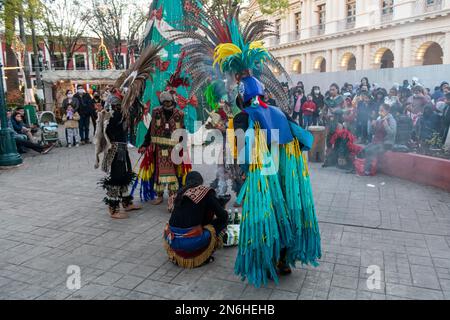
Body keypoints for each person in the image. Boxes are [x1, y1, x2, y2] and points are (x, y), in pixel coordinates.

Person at [163, 171, 228, 268]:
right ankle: (202, 256)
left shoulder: (180, 192)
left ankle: (178, 257)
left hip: (173, 242)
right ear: (200, 182)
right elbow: (222, 215)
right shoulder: (205, 191)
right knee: (222, 221)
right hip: (191, 243)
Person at [138, 90, 190, 206]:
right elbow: (150, 130)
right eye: (165, 102)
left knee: (175, 173)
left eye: (169, 102)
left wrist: (184, 147)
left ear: (172, 101)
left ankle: (173, 195)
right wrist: (144, 145)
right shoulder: (156, 112)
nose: (167, 104)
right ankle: (159, 195)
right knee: (158, 172)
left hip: (174, 148)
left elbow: (183, 130)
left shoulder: (179, 114)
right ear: (161, 102)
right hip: (159, 148)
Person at [95, 92, 142, 219]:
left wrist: (133, 96)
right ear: (117, 105)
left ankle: (126, 202)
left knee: (124, 175)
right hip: (115, 150)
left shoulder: (119, 114)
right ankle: (113, 208)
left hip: (121, 149)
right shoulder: (114, 116)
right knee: (116, 177)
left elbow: (135, 112)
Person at [361, 104, 397, 176]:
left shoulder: (391, 120)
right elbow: (372, 132)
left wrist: (386, 125)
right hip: (377, 141)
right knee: (364, 149)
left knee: (370, 150)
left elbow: (392, 133)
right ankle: (365, 167)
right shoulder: (378, 118)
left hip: (386, 143)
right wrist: (372, 126)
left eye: (382, 110)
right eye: (379, 110)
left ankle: (368, 170)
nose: (380, 112)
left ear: (387, 111)